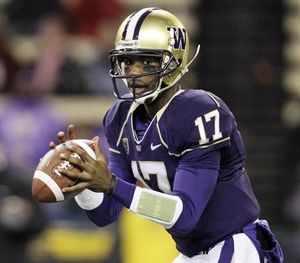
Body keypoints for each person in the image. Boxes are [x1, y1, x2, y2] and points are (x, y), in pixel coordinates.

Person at [51, 8, 284, 262]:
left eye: (147, 61)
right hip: (193, 252)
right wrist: (81, 182)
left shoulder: (199, 111)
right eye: (128, 61)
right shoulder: (120, 118)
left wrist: (111, 184)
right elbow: (105, 214)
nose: (134, 72)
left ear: (173, 62)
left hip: (236, 245)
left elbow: (185, 216)